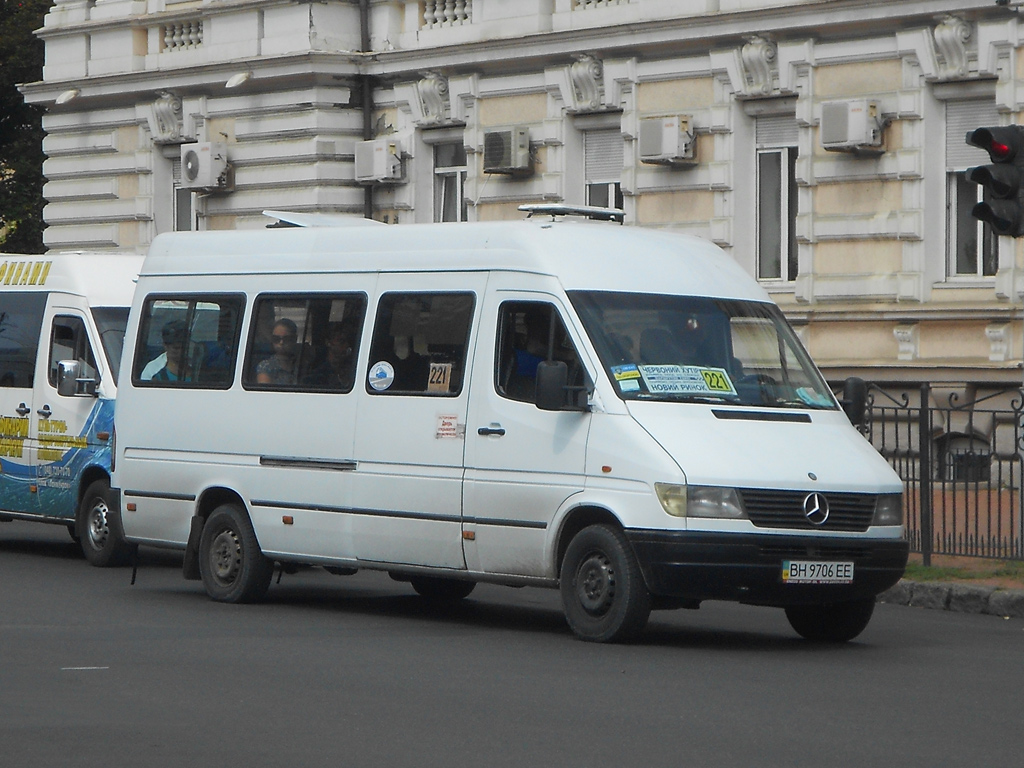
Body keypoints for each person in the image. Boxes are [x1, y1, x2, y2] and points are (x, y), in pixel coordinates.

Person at [304, 321, 356, 390]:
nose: (346, 346)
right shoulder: (318, 376)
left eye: (348, 342)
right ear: (328, 343)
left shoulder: (353, 369)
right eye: (341, 341)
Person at [256, 318, 299, 385]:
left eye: (286, 339)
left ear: (294, 339)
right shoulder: (266, 366)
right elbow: (264, 393)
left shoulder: (301, 364)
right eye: (276, 339)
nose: (281, 342)